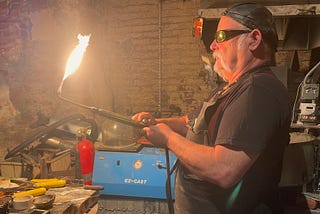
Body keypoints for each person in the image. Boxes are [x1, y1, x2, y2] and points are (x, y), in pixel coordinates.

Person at [132, 2, 291, 214]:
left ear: (254, 39)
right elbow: (192, 122)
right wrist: (157, 123)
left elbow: (224, 169)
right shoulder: (232, 87)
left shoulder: (258, 91)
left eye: (222, 37)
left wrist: (169, 139)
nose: (213, 46)